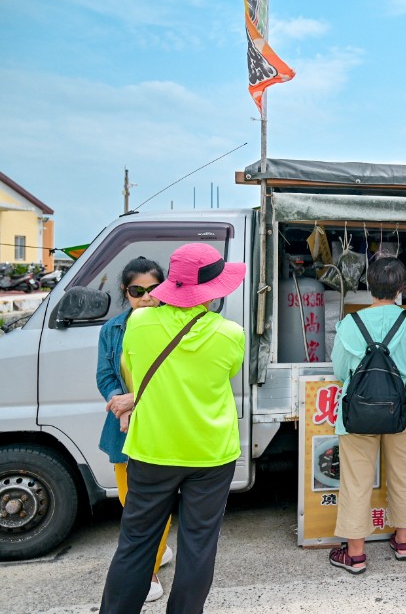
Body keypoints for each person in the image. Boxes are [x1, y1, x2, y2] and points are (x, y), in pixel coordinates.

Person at [98, 243, 246, 614]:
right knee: (199, 546)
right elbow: (226, 375)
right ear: (213, 290)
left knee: (136, 543)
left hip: (153, 449)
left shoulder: (138, 323)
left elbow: (132, 378)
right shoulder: (231, 333)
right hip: (211, 454)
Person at [329, 257, 406, 574]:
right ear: (401, 288)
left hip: (357, 412)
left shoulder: (350, 323)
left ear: (368, 285)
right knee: (404, 474)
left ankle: (356, 554)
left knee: (357, 481)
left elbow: (339, 371)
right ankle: (402, 542)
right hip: (404, 411)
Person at [95, 257, 173, 602]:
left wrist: (136, 401)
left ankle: (150, 570)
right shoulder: (112, 329)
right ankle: (155, 557)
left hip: (162, 423)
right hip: (123, 428)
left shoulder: (173, 325)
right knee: (133, 505)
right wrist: (118, 401)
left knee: (157, 503)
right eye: (136, 290)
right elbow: (105, 375)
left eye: (153, 289)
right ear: (125, 292)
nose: (145, 296)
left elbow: (175, 378)